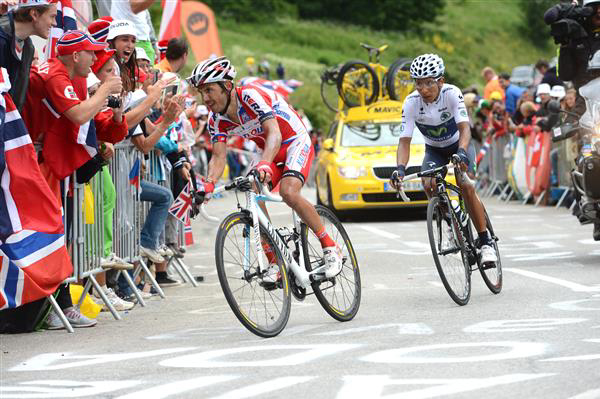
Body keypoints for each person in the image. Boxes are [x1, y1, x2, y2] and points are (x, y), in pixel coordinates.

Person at [187, 56, 343, 279]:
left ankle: (330, 247)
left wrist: (264, 164)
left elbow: (274, 132)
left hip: (293, 141)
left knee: (289, 192)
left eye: (210, 90)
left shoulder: (250, 95)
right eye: (202, 92)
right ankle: (276, 262)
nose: (205, 98)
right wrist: (208, 185)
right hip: (270, 150)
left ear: (227, 86)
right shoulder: (216, 120)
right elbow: (218, 156)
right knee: (252, 195)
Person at [22, 30, 123, 329]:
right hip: (37, 163)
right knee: (53, 235)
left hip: (41, 161)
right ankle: (53, 308)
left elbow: (101, 124)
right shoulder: (56, 74)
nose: (95, 58)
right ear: (76, 55)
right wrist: (104, 90)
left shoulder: (65, 75)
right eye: (91, 53)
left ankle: (59, 305)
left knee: (58, 233)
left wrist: (111, 108)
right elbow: (79, 116)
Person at [390, 54, 498, 265]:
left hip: (460, 145)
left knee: (465, 186)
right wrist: (400, 169)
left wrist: (462, 152)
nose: (423, 88)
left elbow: (465, 128)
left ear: (441, 81)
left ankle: (485, 243)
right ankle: (451, 222)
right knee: (429, 183)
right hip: (435, 150)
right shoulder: (411, 102)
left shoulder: (452, 94)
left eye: (428, 82)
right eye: (418, 83)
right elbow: (404, 142)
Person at [0, 0, 57, 111]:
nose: (55, 23)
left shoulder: (28, 47)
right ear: (34, 14)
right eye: (52, 16)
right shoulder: (2, 40)